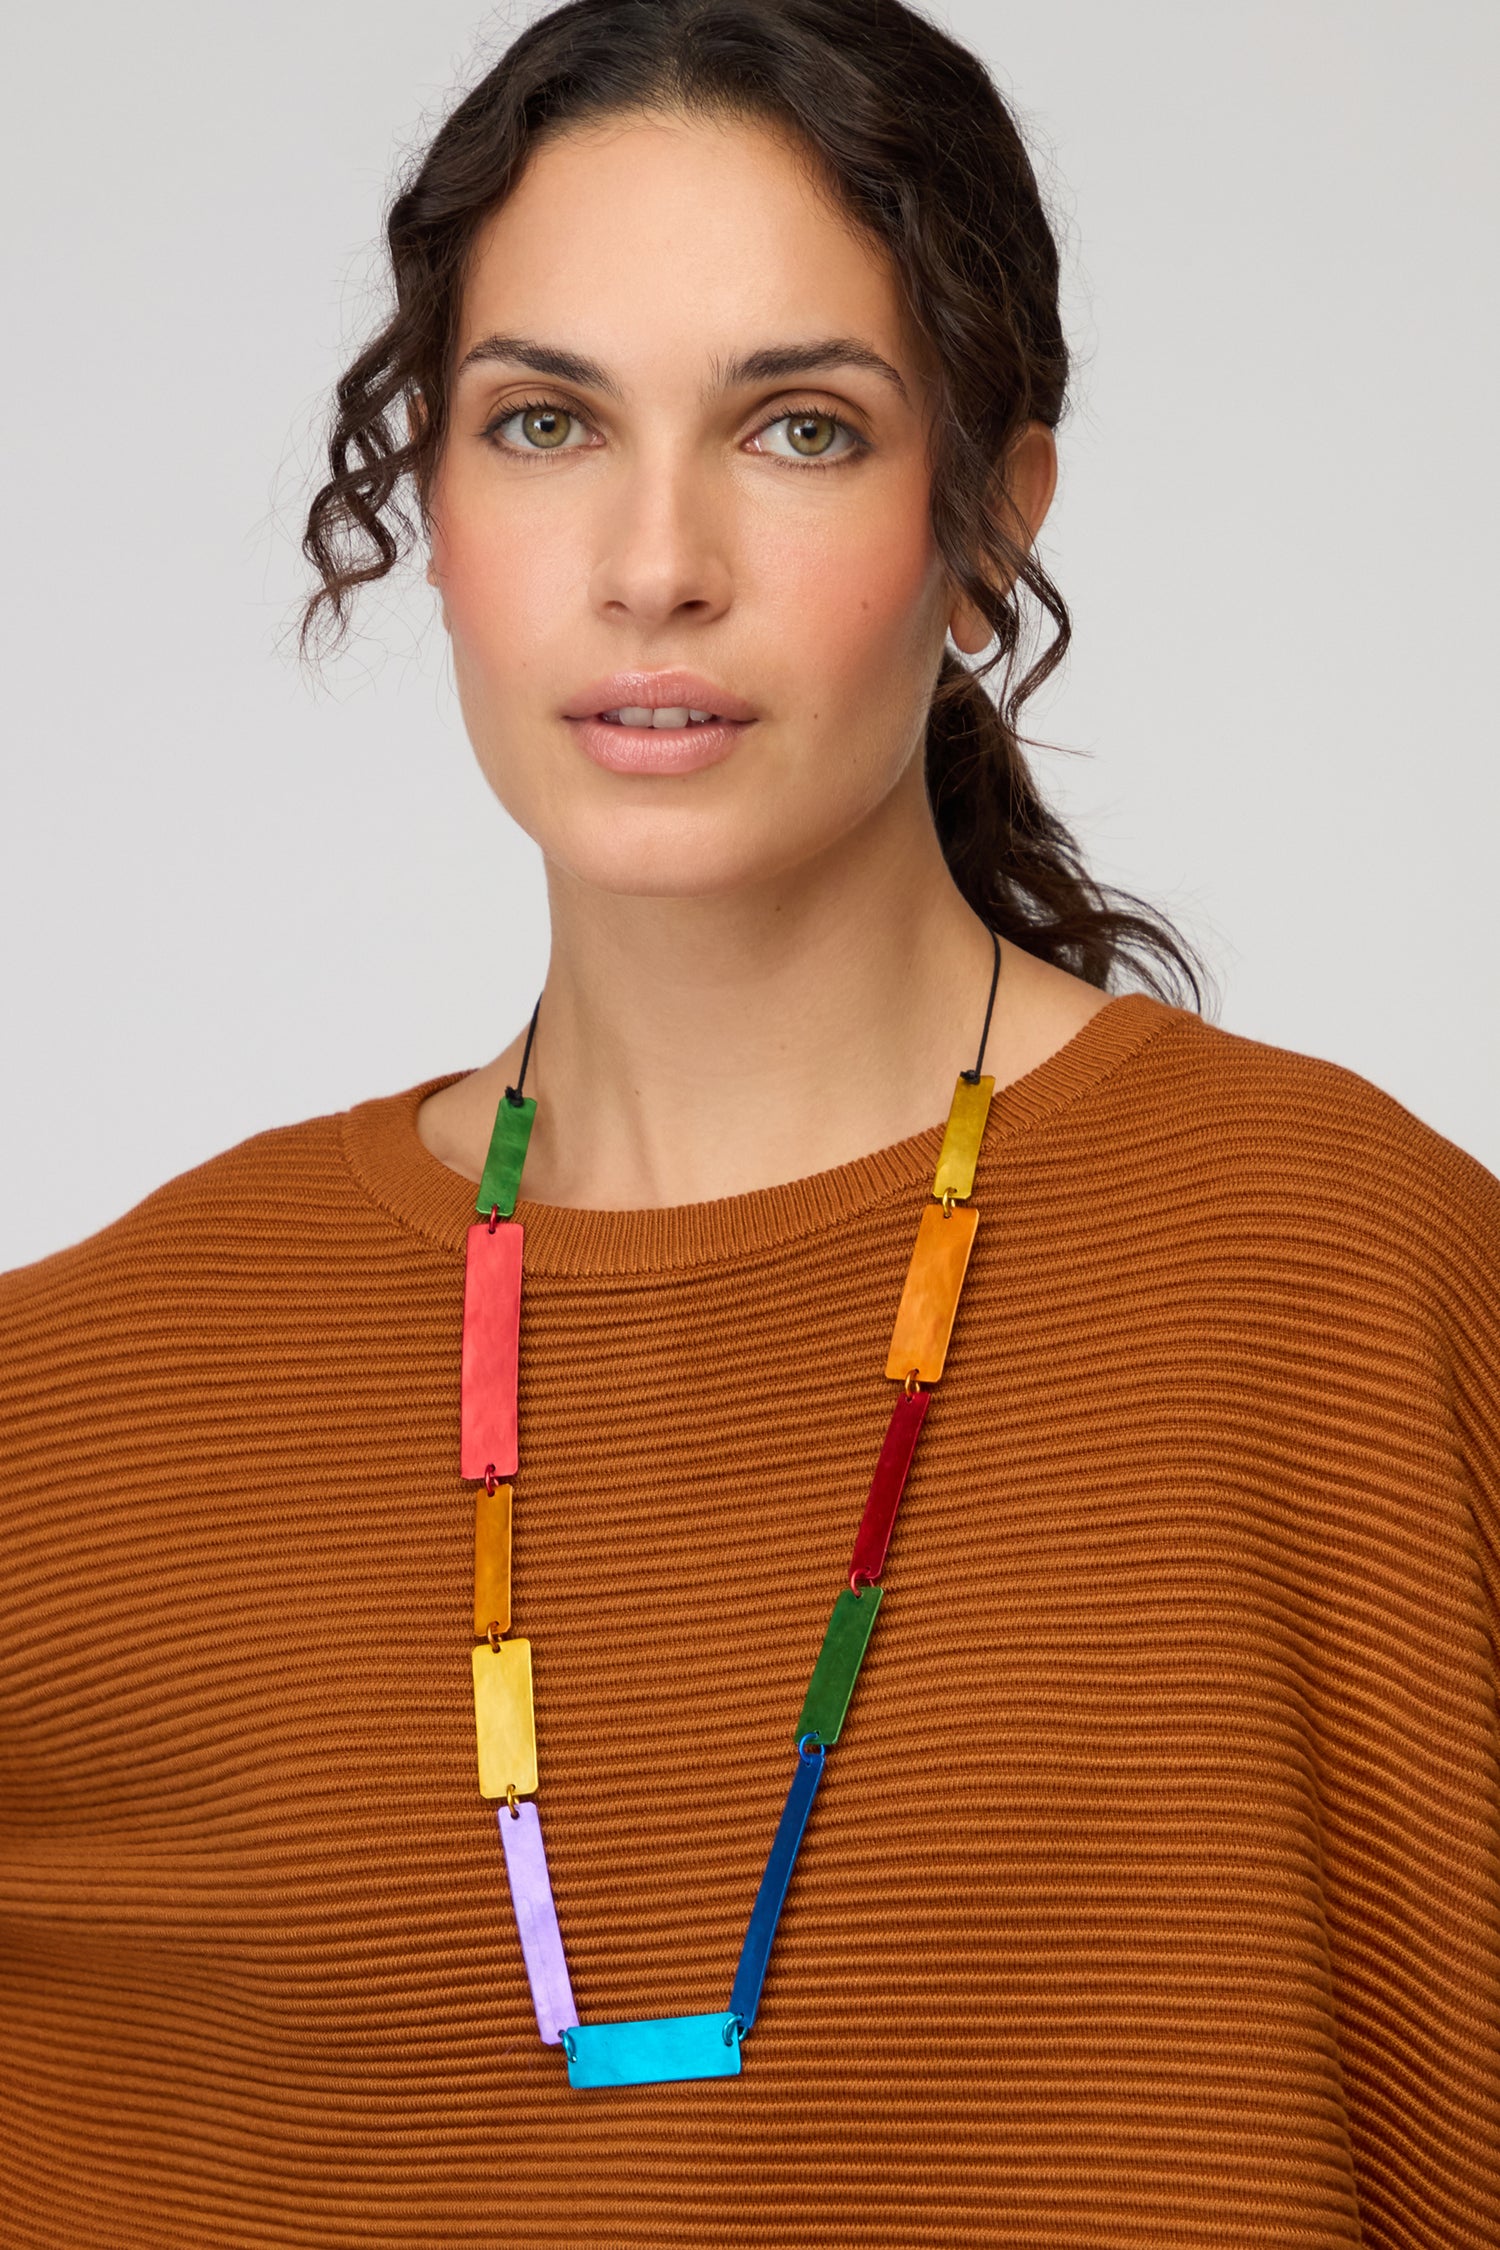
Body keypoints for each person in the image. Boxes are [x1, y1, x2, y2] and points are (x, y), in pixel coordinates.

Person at [2, 0, 1496, 2242]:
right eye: (543, 423)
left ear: (992, 521)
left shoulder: (1357, 1283)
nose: (655, 560)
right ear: (432, 506)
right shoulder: (82, 1406)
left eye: (798, 427)